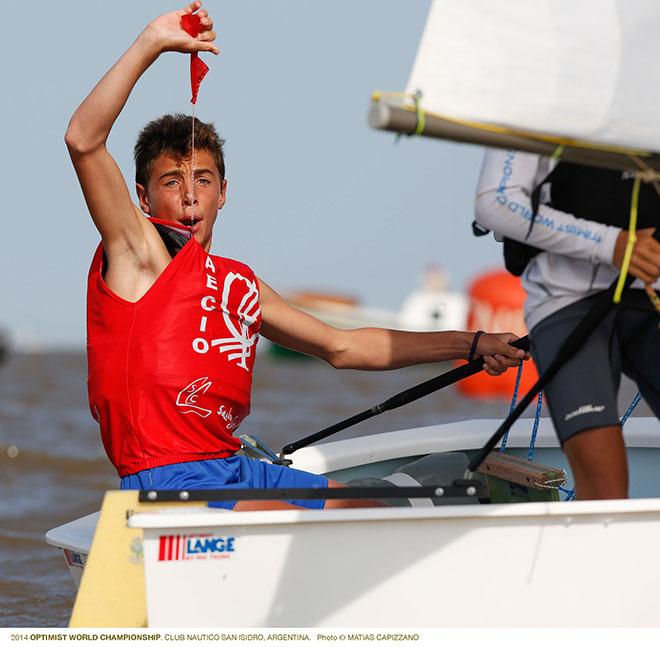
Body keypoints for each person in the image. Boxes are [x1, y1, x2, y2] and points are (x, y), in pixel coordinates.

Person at [66, 2, 527, 511]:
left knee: (373, 512)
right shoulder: (136, 256)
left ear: (224, 192)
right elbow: (83, 140)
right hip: (170, 485)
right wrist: (151, 41)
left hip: (235, 469)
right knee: (332, 525)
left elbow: (344, 347)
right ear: (145, 199)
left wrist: (475, 342)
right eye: (172, 183)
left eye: (203, 181)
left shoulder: (237, 285)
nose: (190, 197)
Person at [475, 148, 660, 500]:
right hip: (565, 301)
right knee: (604, 489)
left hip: (652, 296)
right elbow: (495, 203)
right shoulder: (540, 99)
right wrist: (611, 244)